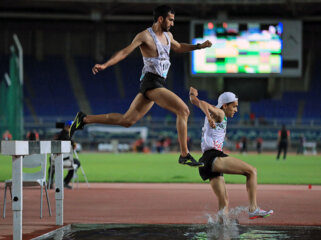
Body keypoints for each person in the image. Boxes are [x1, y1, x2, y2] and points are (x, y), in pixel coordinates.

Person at [69, 5, 211, 167]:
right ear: (160, 19)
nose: (172, 23)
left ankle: (84, 119)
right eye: (170, 20)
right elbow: (125, 51)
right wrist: (106, 65)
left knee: (127, 120)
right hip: (151, 81)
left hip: (157, 82)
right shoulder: (145, 36)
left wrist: (199, 47)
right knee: (184, 110)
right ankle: (184, 154)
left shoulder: (168, 35)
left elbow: (178, 47)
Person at [189, 86, 273, 220]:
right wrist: (209, 117)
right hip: (213, 157)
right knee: (251, 171)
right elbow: (204, 104)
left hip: (206, 162)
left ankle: (221, 231)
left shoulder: (219, 113)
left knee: (224, 203)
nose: (236, 110)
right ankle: (253, 209)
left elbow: (197, 102)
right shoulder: (220, 113)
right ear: (225, 105)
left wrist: (192, 95)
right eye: (234, 106)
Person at [48, 121, 81, 189]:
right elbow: (73, 145)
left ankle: (50, 182)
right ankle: (65, 182)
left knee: (52, 165)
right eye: (70, 127)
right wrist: (74, 143)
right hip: (65, 160)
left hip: (56, 159)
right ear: (66, 127)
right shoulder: (67, 136)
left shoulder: (58, 135)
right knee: (77, 162)